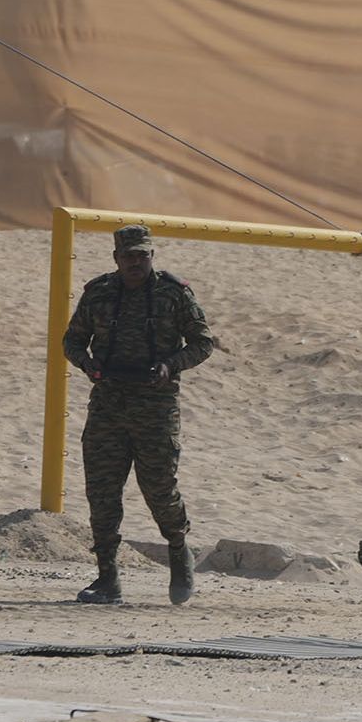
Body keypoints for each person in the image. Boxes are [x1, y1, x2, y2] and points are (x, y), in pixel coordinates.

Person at [62, 225, 214, 605]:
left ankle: (179, 551)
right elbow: (72, 340)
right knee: (102, 492)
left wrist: (170, 365)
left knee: (160, 488)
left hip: (155, 406)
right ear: (116, 259)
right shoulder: (98, 292)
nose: (135, 262)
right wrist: (88, 365)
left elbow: (202, 343)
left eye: (142, 255)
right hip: (109, 403)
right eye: (128, 256)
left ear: (152, 256)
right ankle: (107, 578)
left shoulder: (172, 293)